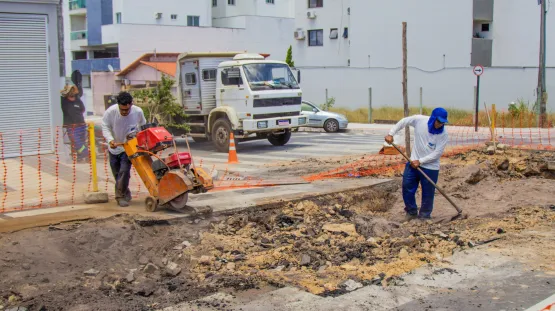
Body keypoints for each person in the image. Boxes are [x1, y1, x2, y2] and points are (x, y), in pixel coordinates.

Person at [385, 108, 449, 220]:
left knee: (428, 193)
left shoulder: (443, 134)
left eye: (443, 122)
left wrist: (420, 161)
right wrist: (391, 134)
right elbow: (404, 121)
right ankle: (411, 212)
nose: (440, 124)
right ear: (433, 118)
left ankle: (425, 216)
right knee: (407, 186)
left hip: (430, 167)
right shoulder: (420, 120)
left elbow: (437, 153)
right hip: (412, 163)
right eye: (438, 121)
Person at [102, 91, 146, 207]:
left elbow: (142, 126)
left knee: (124, 171)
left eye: (127, 110)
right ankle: (125, 192)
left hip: (128, 147)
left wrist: (138, 138)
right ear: (118, 105)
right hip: (114, 147)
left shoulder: (138, 112)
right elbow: (105, 126)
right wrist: (110, 140)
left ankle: (119, 197)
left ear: (131, 104)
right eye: (122, 110)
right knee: (117, 173)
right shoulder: (110, 112)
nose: (124, 112)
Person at [60, 84, 89, 162]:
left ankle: (80, 158)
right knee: (77, 143)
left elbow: (83, 109)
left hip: (81, 125)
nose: (72, 95)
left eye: (73, 93)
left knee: (82, 143)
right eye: (70, 93)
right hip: (71, 127)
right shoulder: (64, 101)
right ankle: (87, 154)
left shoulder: (78, 100)